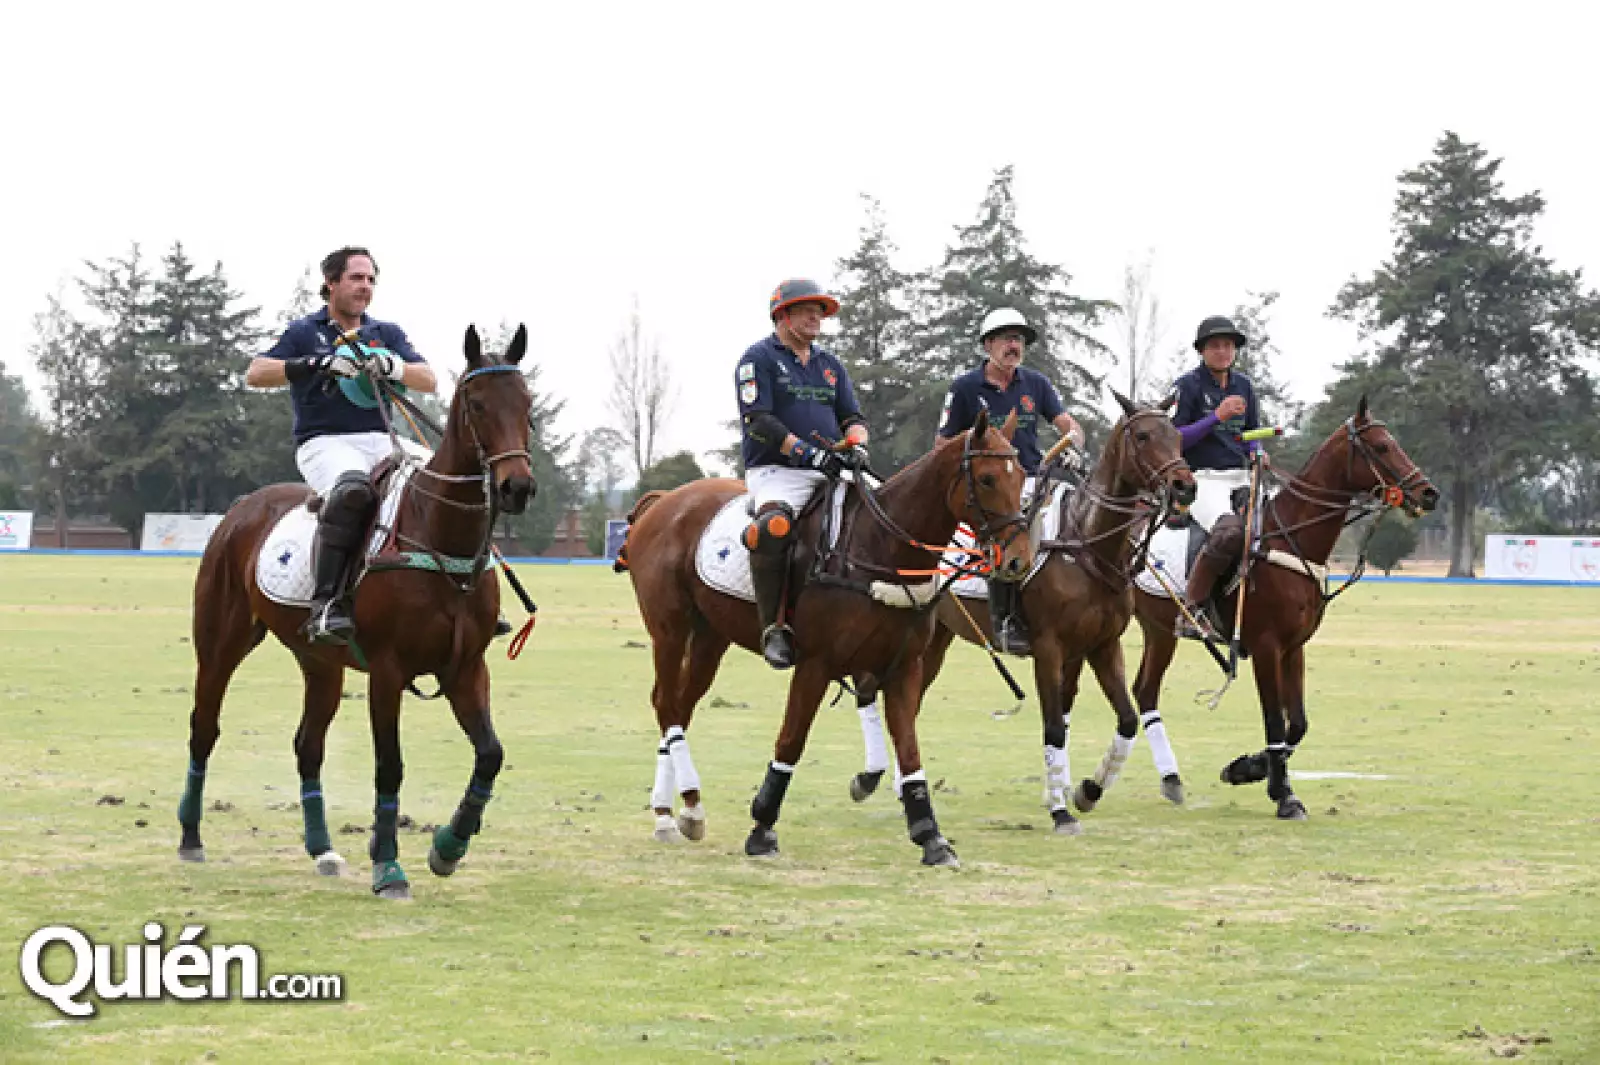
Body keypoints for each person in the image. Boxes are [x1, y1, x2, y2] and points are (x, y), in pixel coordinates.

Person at [245, 246, 437, 645]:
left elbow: (428, 379)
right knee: (352, 492)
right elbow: (257, 373)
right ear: (331, 283)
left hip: (382, 439)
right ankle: (328, 604)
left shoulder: (386, 333)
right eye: (356, 278)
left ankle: (467, 593)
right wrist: (319, 363)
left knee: (447, 484)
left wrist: (393, 366)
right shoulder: (304, 332)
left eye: (370, 280)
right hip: (325, 442)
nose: (365, 287)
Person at [736, 279, 870, 670]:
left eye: (820, 311)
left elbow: (853, 417)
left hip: (831, 468)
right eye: (806, 309)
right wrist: (807, 453)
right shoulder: (758, 358)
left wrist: (857, 443)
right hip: (778, 471)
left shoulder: (830, 365)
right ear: (782, 314)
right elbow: (757, 420)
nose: (816, 317)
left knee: (887, 512)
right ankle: (773, 628)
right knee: (773, 528)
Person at [936, 307, 1085, 655]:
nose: (1013, 345)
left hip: (1031, 478)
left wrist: (1073, 445)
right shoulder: (966, 387)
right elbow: (942, 445)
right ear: (988, 345)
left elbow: (1069, 425)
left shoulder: (1036, 384)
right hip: (988, 488)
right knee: (1013, 535)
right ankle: (1005, 619)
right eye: (1005, 338)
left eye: (1018, 339)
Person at [1169, 314, 1265, 638]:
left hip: (1242, 475)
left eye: (1228, 345)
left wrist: (1258, 452)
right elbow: (1175, 439)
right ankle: (1192, 608)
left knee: (1281, 524)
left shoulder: (1244, 386)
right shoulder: (1187, 386)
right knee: (1228, 533)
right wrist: (1216, 417)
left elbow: (1251, 433)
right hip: (1204, 478)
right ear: (1202, 351)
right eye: (1215, 345)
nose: (1223, 351)